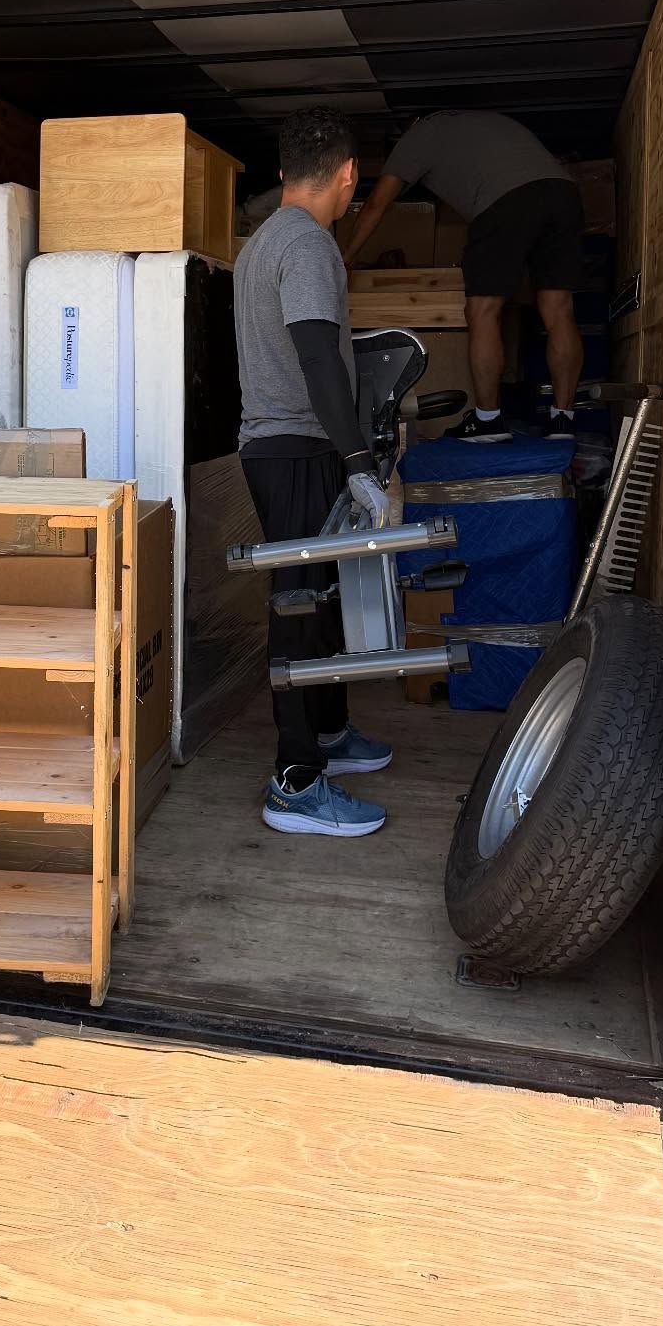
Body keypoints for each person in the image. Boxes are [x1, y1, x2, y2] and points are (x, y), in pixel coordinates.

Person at [233, 107, 392, 839]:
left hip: (289, 447)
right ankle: (295, 782)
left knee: (319, 600)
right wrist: (360, 462)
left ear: (282, 173)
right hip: (295, 447)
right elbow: (318, 357)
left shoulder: (264, 240)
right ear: (350, 175)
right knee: (298, 611)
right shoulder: (311, 245)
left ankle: (329, 734)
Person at [341, 109, 585, 444]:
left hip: (506, 203)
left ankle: (488, 422)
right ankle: (564, 421)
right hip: (565, 194)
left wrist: (346, 257)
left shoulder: (418, 135)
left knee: (483, 311)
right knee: (559, 310)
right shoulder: (477, 124)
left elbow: (375, 204)